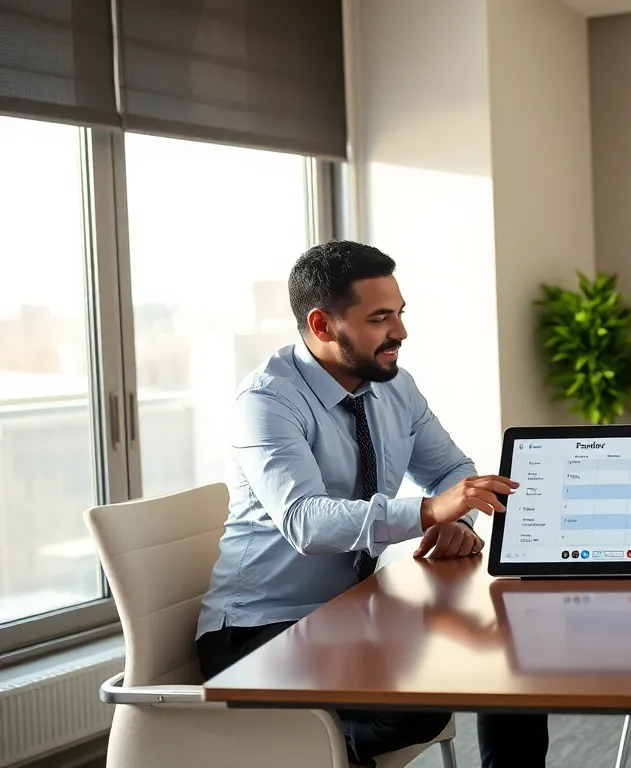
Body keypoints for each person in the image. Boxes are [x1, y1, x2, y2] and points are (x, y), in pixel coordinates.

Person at [195, 241, 549, 768]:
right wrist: (430, 512)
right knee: (416, 705)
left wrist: (460, 518)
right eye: (380, 318)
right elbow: (306, 522)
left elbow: (454, 473)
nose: (400, 332)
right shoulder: (267, 401)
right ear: (321, 325)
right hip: (261, 632)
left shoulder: (395, 388)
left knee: (509, 653)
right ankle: (291, 747)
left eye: (400, 313)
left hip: (350, 616)